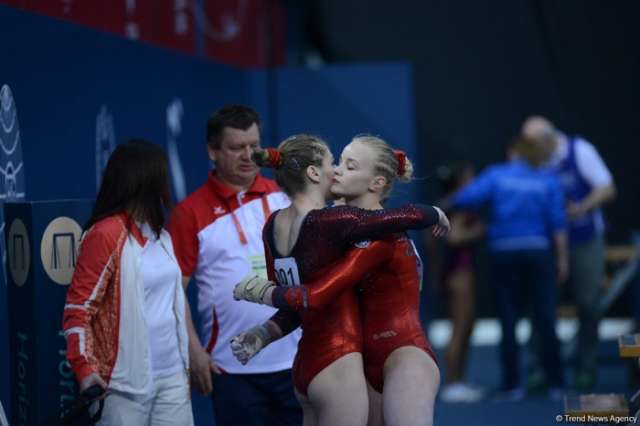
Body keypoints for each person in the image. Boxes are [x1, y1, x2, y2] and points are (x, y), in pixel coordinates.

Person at [233, 135, 449, 426]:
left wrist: (265, 293)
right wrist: (265, 333)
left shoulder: (380, 237)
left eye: (349, 166)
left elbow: (317, 294)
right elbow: (310, 306)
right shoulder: (339, 233)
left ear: (376, 183)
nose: (336, 171)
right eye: (337, 163)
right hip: (359, 362)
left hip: (404, 356)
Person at [166, 105, 302, 426]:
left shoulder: (285, 198)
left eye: (254, 146)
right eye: (236, 147)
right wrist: (193, 350)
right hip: (231, 369)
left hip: (295, 362)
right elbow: (174, 290)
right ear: (212, 151)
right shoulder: (189, 212)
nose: (248, 155)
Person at [62, 140, 193, 425]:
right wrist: (84, 369)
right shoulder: (106, 234)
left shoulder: (161, 235)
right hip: (121, 387)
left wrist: (186, 365)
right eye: (160, 176)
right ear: (144, 180)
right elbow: (78, 310)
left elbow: (173, 302)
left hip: (172, 378)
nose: (165, 185)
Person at [450, 136, 568, 400]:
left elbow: (466, 199)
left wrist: (446, 205)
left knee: (509, 319)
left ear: (512, 152)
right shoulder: (547, 179)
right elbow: (558, 223)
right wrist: (562, 259)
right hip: (539, 252)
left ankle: (512, 385)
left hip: (504, 252)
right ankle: (556, 383)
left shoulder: (497, 175)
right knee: (546, 319)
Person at [522, 116, 617, 391]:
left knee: (589, 304)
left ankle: (586, 367)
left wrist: (582, 207)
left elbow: (608, 188)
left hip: (585, 238)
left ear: (547, 139)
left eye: (533, 143)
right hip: (548, 242)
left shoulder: (580, 151)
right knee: (540, 306)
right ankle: (538, 369)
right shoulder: (534, 160)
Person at [427, 163, 485, 403]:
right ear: (461, 181)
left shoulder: (449, 204)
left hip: (458, 271)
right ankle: (451, 383)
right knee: (460, 328)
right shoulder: (458, 205)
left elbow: (431, 240)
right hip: (460, 273)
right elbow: (455, 237)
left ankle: (458, 381)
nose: (475, 182)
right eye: (471, 177)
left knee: (466, 327)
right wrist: (481, 230)